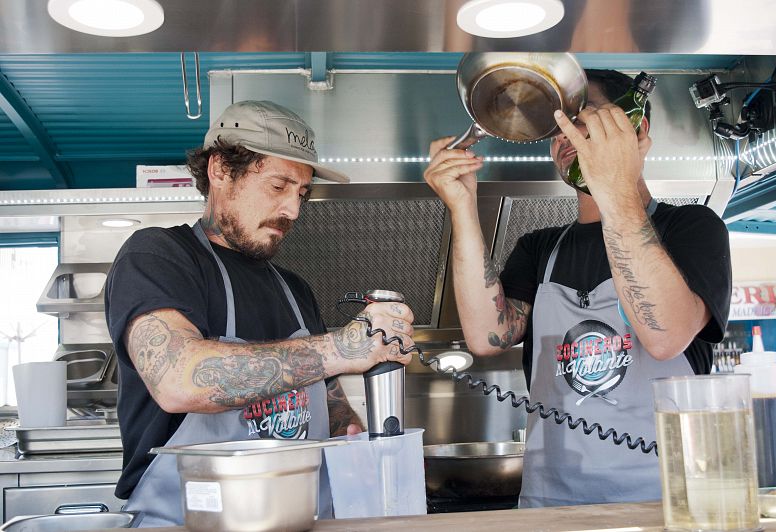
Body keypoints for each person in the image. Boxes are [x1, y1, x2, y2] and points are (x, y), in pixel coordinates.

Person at [423, 69, 732, 508]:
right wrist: (462, 206)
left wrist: (615, 186)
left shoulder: (692, 229)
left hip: (665, 505)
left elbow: (664, 337)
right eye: (557, 127)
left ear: (637, 128)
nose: (567, 135)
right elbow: (486, 336)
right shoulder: (540, 247)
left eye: (584, 121)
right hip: (551, 504)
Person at [104, 101, 415, 527]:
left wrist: (359, 443)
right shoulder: (159, 255)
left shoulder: (295, 289)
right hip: (190, 521)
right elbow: (178, 379)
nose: (293, 210)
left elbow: (327, 401)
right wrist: (341, 347)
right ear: (219, 170)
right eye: (278, 186)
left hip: (297, 518)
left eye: (301, 193)